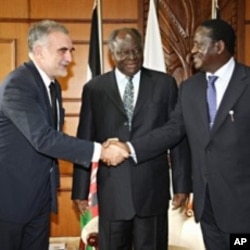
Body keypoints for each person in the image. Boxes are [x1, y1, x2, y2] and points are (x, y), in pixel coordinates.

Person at [114, 19, 250, 250]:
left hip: (243, 207)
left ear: (219, 47)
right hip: (207, 206)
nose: (192, 51)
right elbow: (173, 129)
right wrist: (130, 148)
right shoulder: (190, 88)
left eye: (199, 44)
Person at [0, 20, 129, 250]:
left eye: (71, 50)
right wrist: (100, 151)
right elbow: (44, 138)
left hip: (39, 199)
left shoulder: (53, 86)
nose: (70, 58)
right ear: (39, 51)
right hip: (10, 202)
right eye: (63, 50)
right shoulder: (17, 85)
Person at [72, 27, 191, 250]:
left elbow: (176, 135)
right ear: (112, 54)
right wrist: (79, 190)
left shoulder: (164, 84)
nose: (132, 58)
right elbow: (84, 140)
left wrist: (182, 184)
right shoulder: (95, 89)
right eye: (124, 53)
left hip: (152, 191)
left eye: (136, 51)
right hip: (113, 192)